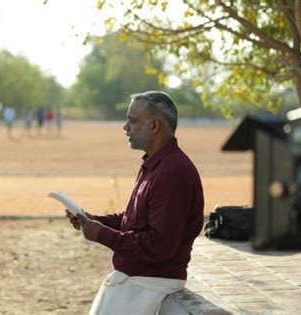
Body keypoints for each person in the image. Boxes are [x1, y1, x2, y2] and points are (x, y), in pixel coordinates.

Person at [66, 91, 204, 314]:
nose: (125, 127)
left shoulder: (172, 172)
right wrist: (93, 221)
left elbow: (160, 245)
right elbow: (134, 220)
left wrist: (101, 234)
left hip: (149, 286)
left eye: (132, 120)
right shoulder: (156, 164)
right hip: (137, 283)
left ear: (154, 126)